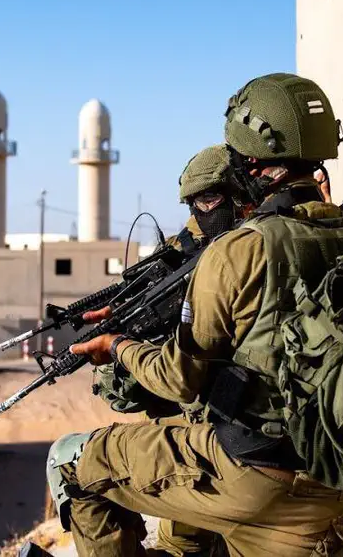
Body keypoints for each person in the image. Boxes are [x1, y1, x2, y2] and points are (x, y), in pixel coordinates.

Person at [35, 73, 343, 557]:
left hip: (247, 474)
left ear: (249, 162)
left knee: (69, 464)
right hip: (329, 478)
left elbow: (179, 378)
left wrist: (117, 345)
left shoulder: (238, 249)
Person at [90, 144, 249, 556]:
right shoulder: (195, 244)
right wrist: (127, 312)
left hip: (240, 439)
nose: (201, 212)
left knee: (78, 466)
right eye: (195, 204)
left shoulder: (251, 246)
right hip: (212, 425)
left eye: (209, 200)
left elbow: (178, 378)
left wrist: (118, 347)